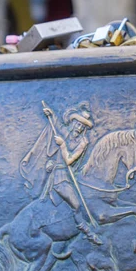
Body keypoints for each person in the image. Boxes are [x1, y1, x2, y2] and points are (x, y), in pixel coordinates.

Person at [40, 105, 101, 245]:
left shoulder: (83, 142)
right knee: (76, 205)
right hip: (59, 177)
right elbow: (57, 125)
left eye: (82, 126)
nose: (79, 128)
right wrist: (51, 114)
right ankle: (88, 233)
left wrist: (62, 145)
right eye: (78, 124)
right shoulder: (65, 132)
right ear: (73, 123)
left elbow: (69, 159)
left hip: (72, 176)